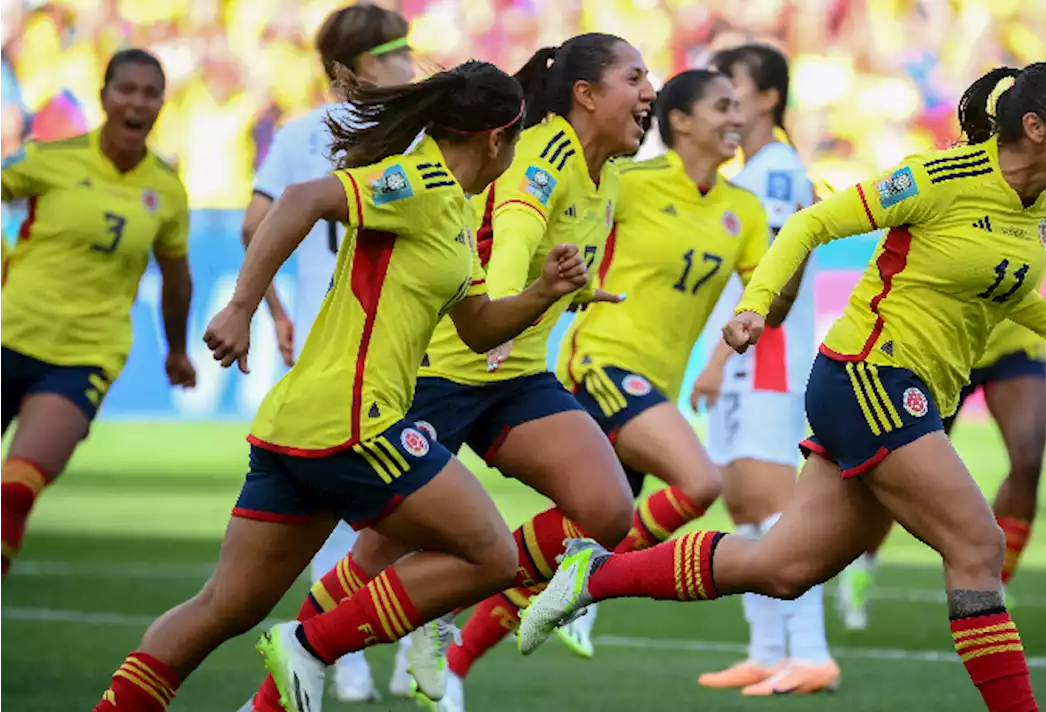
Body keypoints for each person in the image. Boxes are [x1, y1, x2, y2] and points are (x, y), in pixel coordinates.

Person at [517, 62, 1046, 712]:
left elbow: (1004, 285)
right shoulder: (938, 178)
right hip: (868, 376)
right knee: (978, 544)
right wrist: (756, 306)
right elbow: (809, 226)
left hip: (912, 395)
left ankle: (593, 573)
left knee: (782, 568)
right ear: (1035, 126)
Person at [91, 59, 589, 712]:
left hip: (301, 426)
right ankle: (313, 644)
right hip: (355, 424)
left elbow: (476, 327)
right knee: (492, 557)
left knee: (222, 607)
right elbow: (304, 198)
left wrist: (544, 292)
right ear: (497, 138)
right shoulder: (419, 182)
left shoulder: (456, 213)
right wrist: (243, 306)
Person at [239, 33, 655, 711]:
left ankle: (434, 609)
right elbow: (517, 228)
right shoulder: (542, 150)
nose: (649, 91)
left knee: (608, 510)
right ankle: (272, 696)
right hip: (446, 369)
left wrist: (567, 290)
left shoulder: (608, 171)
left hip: (516, 374)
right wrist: (525, 285)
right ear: (586, 94)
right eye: (635, 77)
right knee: (372, 559)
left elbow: (531, 243)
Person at [426, 69, 775, 710]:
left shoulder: (746, 209)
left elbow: (765, 304)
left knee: (571, 543)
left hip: (654, 386)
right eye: (723, 106)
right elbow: (542, 227)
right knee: (700, 484)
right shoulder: (633, 182)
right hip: (602, 363)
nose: (738, 116)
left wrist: (798, 245)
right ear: (682, 121)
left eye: (740, 106)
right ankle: (593, 581)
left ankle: (459, 659)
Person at [242, 4, 419, 703]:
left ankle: (359, 655)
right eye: (398, 51)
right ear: (359, 66)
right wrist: (275, 311)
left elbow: (258, 224)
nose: (410, 63)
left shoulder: (294, 137)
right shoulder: (415, 133)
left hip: (343, 346)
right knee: (400, 505)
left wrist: (275, 311)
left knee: (366, 511)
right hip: (375, 349)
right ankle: (368, 650)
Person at [835, 182, 1046, 631]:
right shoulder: (964, 177)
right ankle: (862, 565)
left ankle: (994, 583)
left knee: (1028, 458)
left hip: (1017, 339)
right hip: (947, 346)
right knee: (903, 479)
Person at [0, 49, 195, 583]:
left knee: (15, 490)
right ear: (104, 97)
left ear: (161, 103)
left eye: (149, 92)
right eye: (125, 90)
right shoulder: (50, 159)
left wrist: (178, 351)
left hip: (83, 354)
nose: (137, 101)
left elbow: (177, 280)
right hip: (8, 331)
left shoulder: (168, 190)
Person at [686, 43, 839, 694]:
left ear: (769, 97)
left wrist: (721, 357)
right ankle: (768, 646)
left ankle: (809, 652)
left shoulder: (775, 171)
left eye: (734, 88)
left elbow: (774, 279)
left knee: (772, 503)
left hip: (763, 354)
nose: (726, 102)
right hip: (752, 353)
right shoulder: (754, 169)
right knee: (747, 500)